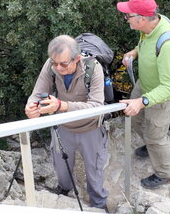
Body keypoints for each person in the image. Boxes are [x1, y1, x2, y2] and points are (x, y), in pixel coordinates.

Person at [25, 35, 109, 212]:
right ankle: (64, 191)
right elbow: (38, 91)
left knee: (94, 170)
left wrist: (62, 106)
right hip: (63, 126)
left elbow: (96, 105)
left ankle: (99, 204)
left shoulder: (93, 68)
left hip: (90, 128)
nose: (58, 68)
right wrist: (31, 107)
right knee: (61, 167)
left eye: (63, 64)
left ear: (77, 58)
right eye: (54, 63)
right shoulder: (51, 65)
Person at [117, 0, 170, 189]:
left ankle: (166, 174)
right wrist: (134, 53)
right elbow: (143, 44)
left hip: (162, 96)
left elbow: (169, 87)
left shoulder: (169, 44)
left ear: (142, 18)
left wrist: (142, 102)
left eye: (127, 15)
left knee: (156, 135)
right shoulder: (147, 28)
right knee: (136, 120)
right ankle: (151, 144)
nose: (126, 18)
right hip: (145, 84)